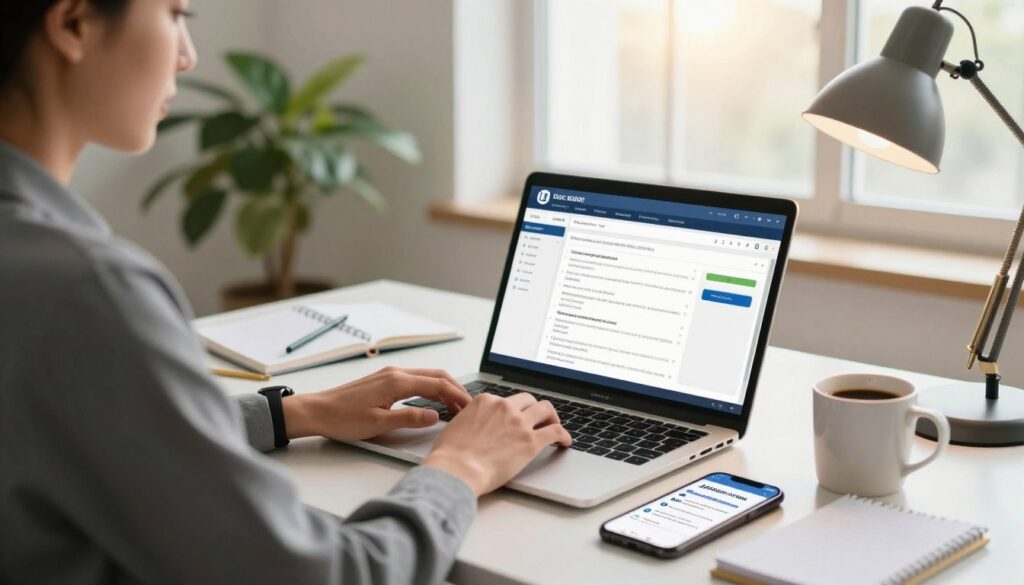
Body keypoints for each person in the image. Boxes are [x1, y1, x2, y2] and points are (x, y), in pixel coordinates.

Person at [0, 1, 572, 583]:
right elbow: (326, 575)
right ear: (73, 24)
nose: (187, 55)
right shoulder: (87, 291)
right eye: (175, 14)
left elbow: (88, 424)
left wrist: (295, 412)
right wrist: (461, 465)